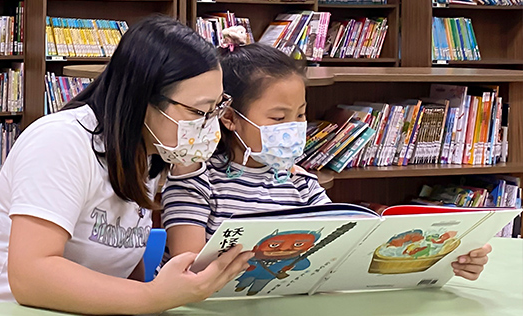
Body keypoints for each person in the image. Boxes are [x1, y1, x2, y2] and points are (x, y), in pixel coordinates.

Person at [0, 16, 253, 315]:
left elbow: (120, 257)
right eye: (199, 112)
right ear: (143, 99)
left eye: (215, 108)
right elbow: (31, 276)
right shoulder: (60, 142)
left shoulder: (147, 151)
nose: (209, 126)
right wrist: (153, 296)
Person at [162, 26, 492, 282]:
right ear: (230, 117)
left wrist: (445, 258)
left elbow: (344, 249)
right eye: (278, 118)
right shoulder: (196, 180)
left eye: (301, 115)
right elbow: (187, 271)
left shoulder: (301, 184)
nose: (293, 127)